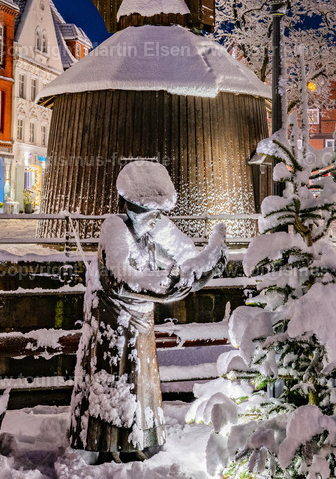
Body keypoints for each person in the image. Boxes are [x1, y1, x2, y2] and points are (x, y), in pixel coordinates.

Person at [67, 160, 227, 463]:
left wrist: (209, 256)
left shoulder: (156, 225)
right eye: (146, 211)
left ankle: (140, 438)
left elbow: (186, 258)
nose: (153, 219)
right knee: (113, 378)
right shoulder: (114, 227)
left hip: (139, 321)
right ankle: (106, 445)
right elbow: (121, 277)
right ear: (127, 205)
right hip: (111, 324)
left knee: (140, 379)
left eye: (158, 212)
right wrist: (166, 283)